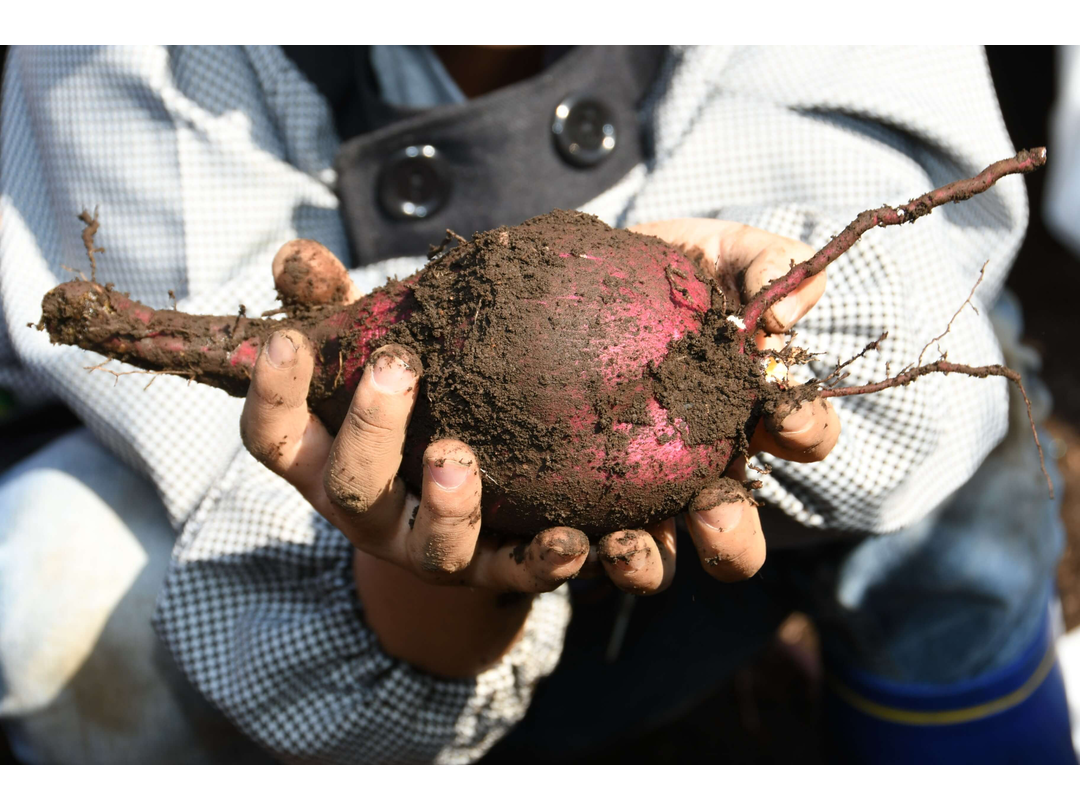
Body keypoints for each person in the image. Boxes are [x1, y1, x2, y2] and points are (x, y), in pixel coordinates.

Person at [0, 45, 1073, 763]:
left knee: (968, 500)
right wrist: (423, 574)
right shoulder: (126, 53)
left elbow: (911, 269)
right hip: (369, 604)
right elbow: (287, 467)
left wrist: (757, 313)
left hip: (756, 505)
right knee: (48, 586)